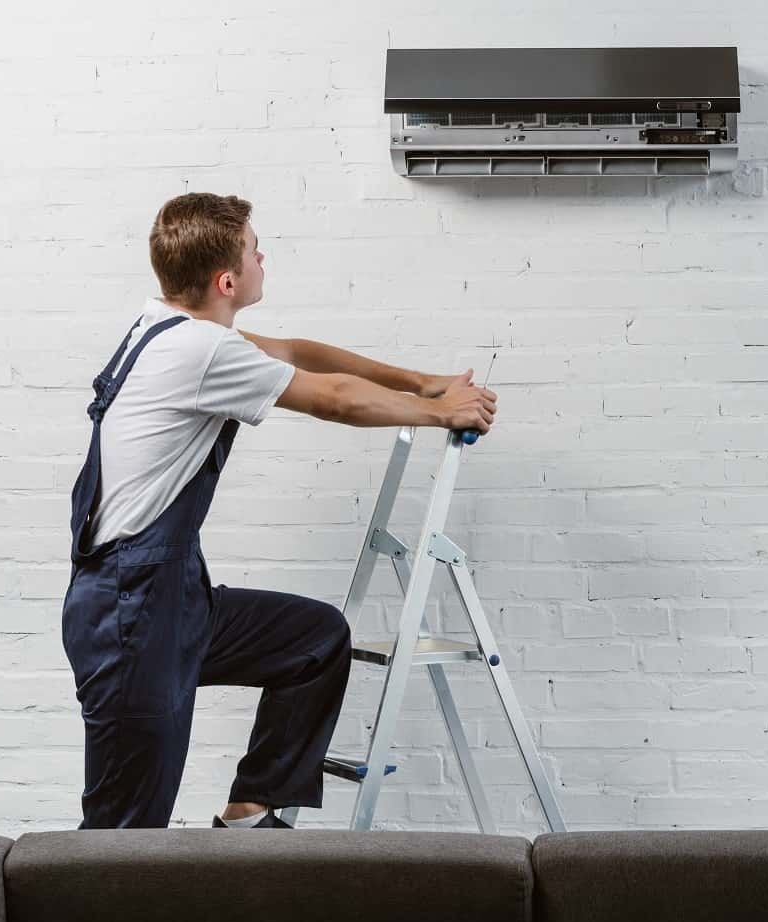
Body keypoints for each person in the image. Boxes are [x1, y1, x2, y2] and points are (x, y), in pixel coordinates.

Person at [61, 192, 497, 829]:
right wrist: (441, 413)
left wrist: (425, 383)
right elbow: (336, 400)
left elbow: (297, 352)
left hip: (170, 600)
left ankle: (248, 812)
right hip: (129, 616)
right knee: (123, 835)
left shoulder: (170, 329)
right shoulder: (200, 352)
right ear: (227, 279)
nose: (263, 255)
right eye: (252, 249)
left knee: (315, 643)